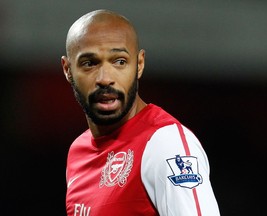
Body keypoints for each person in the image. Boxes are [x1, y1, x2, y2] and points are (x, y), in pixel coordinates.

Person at [61, 9, 220, 216]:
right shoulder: (78, 152)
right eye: (89, 63)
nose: (105, 78)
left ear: (140, 64)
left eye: (119, 61)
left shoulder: (167, 144)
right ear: (67, 70)